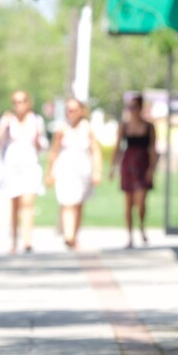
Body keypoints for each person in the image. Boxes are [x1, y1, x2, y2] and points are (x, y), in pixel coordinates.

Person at [0, 91, 48, 254]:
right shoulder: (8, 120)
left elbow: (42, 145)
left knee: (27, 203)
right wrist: (2, 127)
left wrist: (37, 137)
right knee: (15, 204)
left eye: (22, 101)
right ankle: (14, 240)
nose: (19, 104)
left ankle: (27, 240)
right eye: (16, 101)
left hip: (30, 166)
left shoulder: (36, 120)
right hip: (12, 167)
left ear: (29, 102)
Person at [47, 98, 102, 250]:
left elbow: (95, 150)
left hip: (82, 170)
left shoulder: (87, 128)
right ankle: (68, 236)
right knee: (66, 203)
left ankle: (74, 235)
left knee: (78, 204)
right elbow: (54, 151)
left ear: (81, 111)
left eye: (73, 109)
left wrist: (97, 171)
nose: (70, 113)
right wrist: (50, 172)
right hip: (65, 169)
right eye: (68, 110)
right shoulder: (61, 128)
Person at [110, 95, 158, 249]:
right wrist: (113, 167)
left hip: (143, 164)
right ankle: (130, 236)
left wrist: (152, 168)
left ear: (140, 108)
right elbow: (117, 147)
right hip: (128, 164)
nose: (132, 110)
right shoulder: (124, 126)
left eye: (134, 107)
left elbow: (153, 149)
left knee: (141, 201)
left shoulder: (149, 127)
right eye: (129, 107)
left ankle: (142, 226)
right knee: (128, 203)